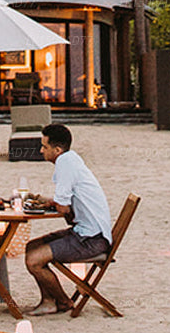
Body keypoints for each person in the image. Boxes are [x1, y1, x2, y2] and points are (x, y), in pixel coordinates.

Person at [23, 123, 112, 315]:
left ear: (57, 150)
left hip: (91, 239)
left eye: (44, 147)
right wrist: (43, 200)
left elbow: (63, 207)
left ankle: (63, 302)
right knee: (31, 246)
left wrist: (49, 203)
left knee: (33, 260)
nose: (41, 150)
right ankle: (48, 301)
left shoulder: (65, 162)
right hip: (88, 232)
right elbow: (65, 203)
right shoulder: (71, 160)